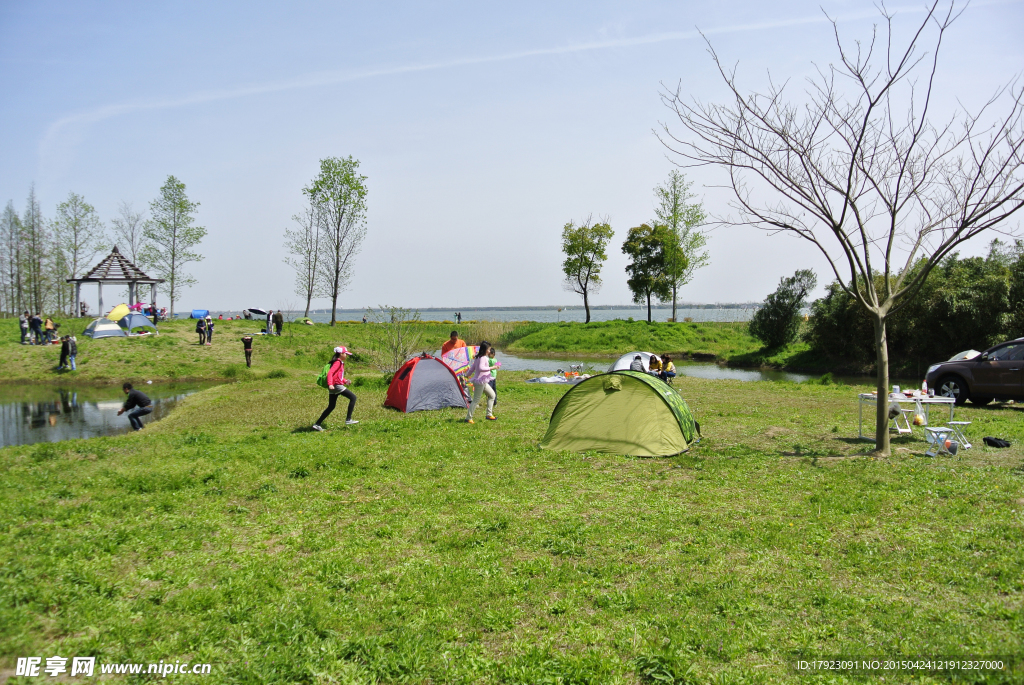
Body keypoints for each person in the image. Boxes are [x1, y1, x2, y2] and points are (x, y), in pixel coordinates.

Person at [313, 346, 358, 430]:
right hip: (336, 386)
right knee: (353, 397)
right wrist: (330, 384)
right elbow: (330, 373)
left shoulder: (338, 362)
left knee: (331, 406)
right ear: (341, 354)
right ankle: (348, 419)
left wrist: (345, 381)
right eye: (345, 354)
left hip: (334, 385)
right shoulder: (338, 362)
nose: (346, 356)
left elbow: (337, 376)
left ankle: (317, 424)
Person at [465, 341, 496, 423]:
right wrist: (492, 367)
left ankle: (489, 414)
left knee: (492, 395)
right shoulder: (482, 358)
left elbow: (472, 368)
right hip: (479, 382)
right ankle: (468, 418)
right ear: (485, 349)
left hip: (483, 381)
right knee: (476, 400)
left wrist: (467, 374)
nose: (490, 351)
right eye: (489, 349)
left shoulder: (478, 357)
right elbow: (481, 368)